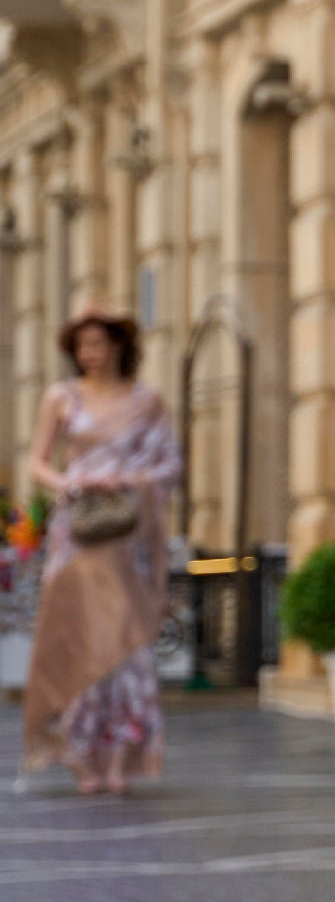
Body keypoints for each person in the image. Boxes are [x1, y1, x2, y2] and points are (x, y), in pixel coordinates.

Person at [22, 308, 183, 796]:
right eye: (81, 346)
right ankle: (78, 752)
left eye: (97, 343)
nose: (89, 353)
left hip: (128, 528)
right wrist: (72, 482)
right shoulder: (61, 397)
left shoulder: (146, 401)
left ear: (116, 345)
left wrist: (127, 479)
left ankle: (122, 756)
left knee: (125, 644)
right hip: (80, 530)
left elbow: (170, 462)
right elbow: (36, 461)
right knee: (79, 639)